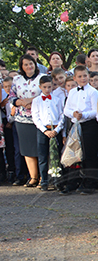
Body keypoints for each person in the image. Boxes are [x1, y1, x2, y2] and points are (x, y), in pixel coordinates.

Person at [63, 65, 98, 194]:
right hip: (75, 125)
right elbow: (66, 109)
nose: (83, 78)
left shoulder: (93, 92)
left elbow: (96, 111)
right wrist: (73, 114)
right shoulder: (73, 92)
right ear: (75, 78)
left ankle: (89, 182)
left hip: (89, 125)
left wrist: (83, 115)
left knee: (89, 154)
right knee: (74, 154)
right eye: (79, 76)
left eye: (85, 76)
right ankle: (72, 182)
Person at [11, 54, 47, 187]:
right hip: (21, 118)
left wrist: (31, 101)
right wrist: (20, 102)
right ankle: (33, 177)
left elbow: (47, 93)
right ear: (21, 66)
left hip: (39, 118)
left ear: (35, 64)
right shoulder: (16, 79)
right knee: (27, 148)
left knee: (40, 148)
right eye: (25, 64)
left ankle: (43, 177)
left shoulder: (42, 78)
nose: (29, 66)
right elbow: (11, 96)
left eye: (31, 63)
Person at [31, 76, 64, 191]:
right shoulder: (36, 101)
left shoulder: (57, 100)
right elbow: (35, 117)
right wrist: (45, 130)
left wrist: (57, 130)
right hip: (43, 130)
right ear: (40, 87)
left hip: (55, 130)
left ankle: (57, 180)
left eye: (49, 87)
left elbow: (61, 116)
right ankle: (44, 180)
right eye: (44, 87)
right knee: (43, 156)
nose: (47, 89)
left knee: (56, 155)